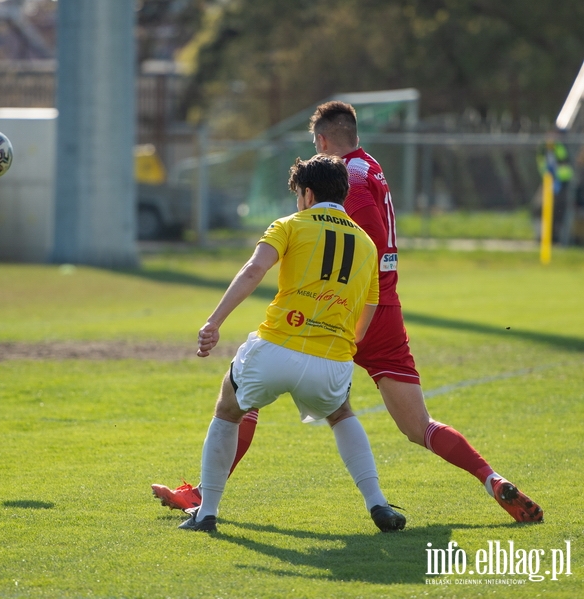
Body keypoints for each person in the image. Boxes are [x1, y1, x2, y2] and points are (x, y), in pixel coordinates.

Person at [154, 101, 543, 524]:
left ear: (322, 142)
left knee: (247, 392)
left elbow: (362, 241)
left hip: (340, 309)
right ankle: (490, 479)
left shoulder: (349, 180)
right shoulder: (371, 165)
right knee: (414, 425)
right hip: (380, 309)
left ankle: (203, 499)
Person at [173, 154, 405, 534]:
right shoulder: (365, 244)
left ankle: (207, 512)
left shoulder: (290, 224)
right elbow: (371, 308)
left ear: (307, 194)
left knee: (229, 409)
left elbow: (254, 270)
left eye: (298, 194)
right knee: (342, 414)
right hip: (331, 362)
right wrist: (342, 342)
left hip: (276, 348)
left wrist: (214, 322)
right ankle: (377, 503)